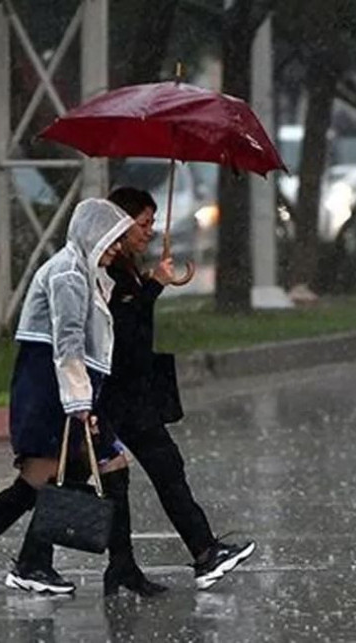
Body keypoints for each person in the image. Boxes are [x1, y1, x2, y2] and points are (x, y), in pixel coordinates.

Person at [0, 198, 144, 599]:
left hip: (68, 387)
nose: (117, 246)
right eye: (111, 238)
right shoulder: (68, 274)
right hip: (53, 388)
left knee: (84, 472)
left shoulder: (87, 273)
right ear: (91, 235)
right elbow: (67, 345)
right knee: (42, 479)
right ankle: (5, 557)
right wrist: (81, 403)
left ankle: (2, 556)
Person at [100, 186, 256, 592]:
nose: (150, 231)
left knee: (149, 473)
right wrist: (152, 286)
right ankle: (201, 552)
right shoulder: (109, 270)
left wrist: (152, 282)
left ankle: (141, 562)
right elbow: (122, 331)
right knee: (68, 479)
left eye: (153, 222)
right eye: (144, 223)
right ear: (120, 223)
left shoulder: (126, 267)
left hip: (131, 392)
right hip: (117, 394)